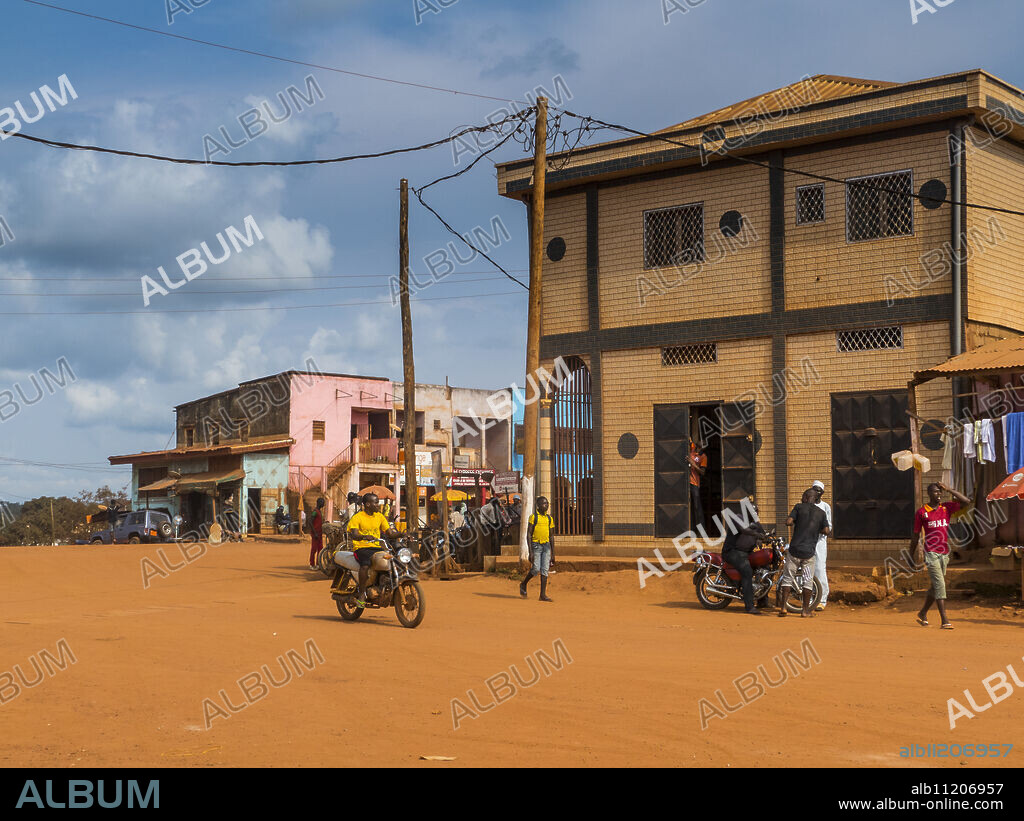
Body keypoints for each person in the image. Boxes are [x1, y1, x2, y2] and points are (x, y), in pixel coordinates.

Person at [912, 481, 970, 630]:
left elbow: (966, 501)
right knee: (940, 585)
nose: (938, 494)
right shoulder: (921, 512)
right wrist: (910, 555)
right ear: (929, 494)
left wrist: (949, 489)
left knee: (935, 586)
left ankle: (922, 613)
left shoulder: (947, 508)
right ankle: (945, 620)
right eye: (935, 492)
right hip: (930, 553)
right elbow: (915, 535)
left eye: (940, 491)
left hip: (944, 553)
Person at [779, 489, 830, 618]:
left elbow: (788, 522)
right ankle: (805, 611)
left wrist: (798, 522)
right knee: (807, 581)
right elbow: (827, 530)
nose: (802, 498)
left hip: (794, 551)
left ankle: (784, 608)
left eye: (803, 496)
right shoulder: (821, 513)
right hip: (808, 554)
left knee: (788, 578)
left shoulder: (798, 507)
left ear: (807, 497)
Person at [346, 492, 396, 607]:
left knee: (392, 561)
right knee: (365, 565)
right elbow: (353, 535)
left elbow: (389, 533)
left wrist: (401, 534)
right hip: (361, 548)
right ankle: (362, 593)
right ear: (368, 504)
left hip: (377, 547)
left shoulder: (379, 516)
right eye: (376, 503)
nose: (378, 505)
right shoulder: (357, 517)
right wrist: (364, 536)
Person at [721, 500, 768, 614]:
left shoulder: (756, 524)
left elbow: (764, 535)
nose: (755, 513)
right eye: (753, 511)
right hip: (732, 552)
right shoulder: (737, 517)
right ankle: (749, 606)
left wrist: (767, 538)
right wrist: (757, 535)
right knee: (747, 571)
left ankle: (762, 600)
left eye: (756, 511)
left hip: (746, 553)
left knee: (765, 565)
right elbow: (744, 530)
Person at [520, 496, 555, 602]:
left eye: (547, 503)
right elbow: (529, 534)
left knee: (545, 570)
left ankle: (542, 595)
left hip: (546, 546)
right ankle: (523, 583)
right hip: (536, 546)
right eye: (544, 503)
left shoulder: (549, 518)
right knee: (536, 568)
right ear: (538, 506)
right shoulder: (533, 517)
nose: (546, 505)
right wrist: (530, 551)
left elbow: (552, 536)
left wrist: (553, 553)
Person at [810, 480, 831, 611]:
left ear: (822, 493)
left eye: (818, 490)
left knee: (819, 569)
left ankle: (822, 599)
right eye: (814, 489)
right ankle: (809, 599)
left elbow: (828, 527)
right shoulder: (806, 505)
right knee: (806, 569)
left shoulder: (825, 507)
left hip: (819, 542)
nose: (816, 492)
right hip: (806, 541)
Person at [689, 439, 707, 530]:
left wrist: (693, 464)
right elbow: (687, 437)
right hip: (686, 482)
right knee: (688, 506)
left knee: (697, 506)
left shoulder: (703, 457)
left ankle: (701, 530)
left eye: (703, 443)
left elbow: (702, 472)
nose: (701, 442)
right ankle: (690, 529)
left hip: (694, 483)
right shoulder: (692, 449)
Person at [308, 497, 325, 570]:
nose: (323, 504)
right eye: (322, 502)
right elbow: (310, 521)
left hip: (319, 533)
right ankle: (312, 564)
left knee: (320, 549)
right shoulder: (315, 511)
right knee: (314, 549)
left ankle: (318, 564)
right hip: (316, 533)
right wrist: (314, 533)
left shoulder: (319, 511)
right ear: (319, 503)